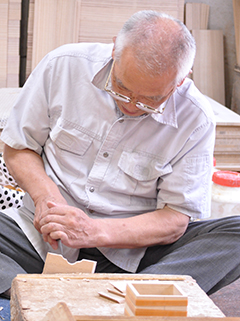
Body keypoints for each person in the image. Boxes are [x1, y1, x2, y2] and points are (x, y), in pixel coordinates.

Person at [1, 10, 240, 300]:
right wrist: (46, 200)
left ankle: (128, 296)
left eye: (150, 101)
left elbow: (175, 218)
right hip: (38, 239)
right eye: (122, 89)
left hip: (131, 256)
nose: (131, 106)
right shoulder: (64, 66)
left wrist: (94, 231)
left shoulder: (196, 119)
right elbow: (18, 146)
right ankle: (49, 297)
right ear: (115, 48)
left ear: (179, 81)